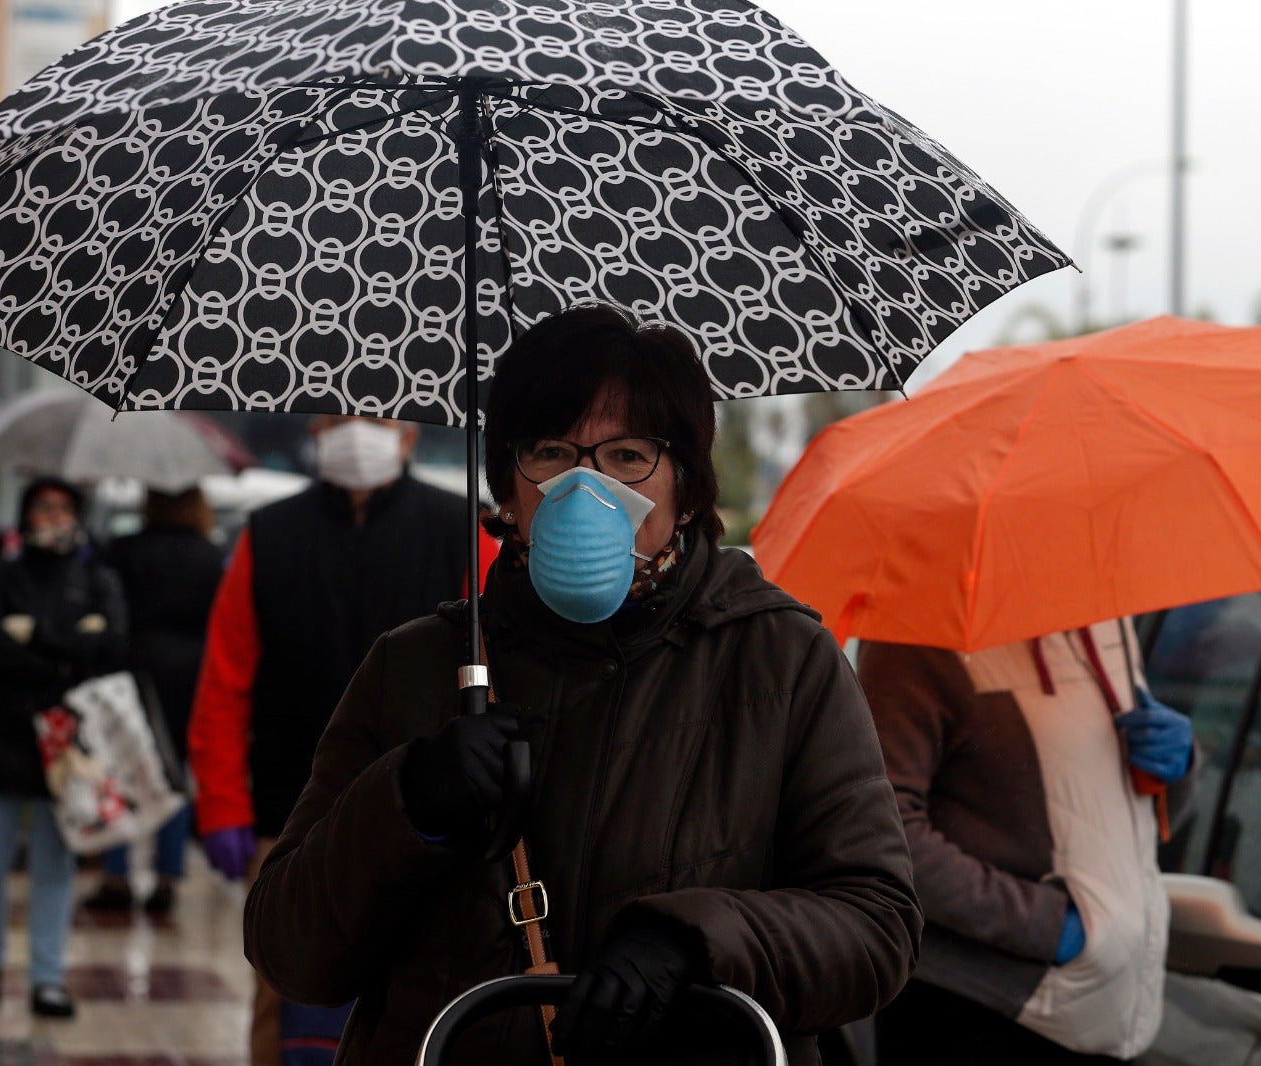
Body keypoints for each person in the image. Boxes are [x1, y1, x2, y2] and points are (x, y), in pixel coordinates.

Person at [243, 303, 923, 1066]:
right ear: (506, 490)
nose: (584, 485)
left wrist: (696, 942)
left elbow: (877, 929)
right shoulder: (416, 667)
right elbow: (288, 951)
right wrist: (408, 804)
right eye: (550, 452)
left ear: (688, 489)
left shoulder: (780, 661)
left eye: (627, 456)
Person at [188, 415, 494, 1066]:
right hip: (290, 814)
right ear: (314, 430)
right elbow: (224, 682)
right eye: (337, 418)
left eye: (374, 418)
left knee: (421, 995)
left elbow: (504, 666)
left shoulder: (464, 531)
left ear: (410, 434)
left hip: (431, 819)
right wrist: (221, 803)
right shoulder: (269, 535)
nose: (355, 432)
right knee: (282, 997)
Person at [859, 622, 1196, 1065]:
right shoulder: (917, 630)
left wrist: (1174, 772)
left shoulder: (1104, 618)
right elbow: (880, 833)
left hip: (1110, 1006)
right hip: (979, 1006)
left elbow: (1125, 824)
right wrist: (1051, 928)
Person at [0, 477, 126, 1019]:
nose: (53, 517)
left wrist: (34, 637)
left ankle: (48, 975)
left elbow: (111, 641)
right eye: (43, 506)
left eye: (64, 507)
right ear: (25, 513)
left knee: (56, 860)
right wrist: (65, 649)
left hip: (66, 744)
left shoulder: (95, 578)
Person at [83, 486, 225, 915]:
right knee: (174, 772)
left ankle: (117, 875)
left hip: (133, 668)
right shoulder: (209, 555)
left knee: (122, 767)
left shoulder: (123, 550)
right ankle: (167, 875)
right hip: (191, 672)